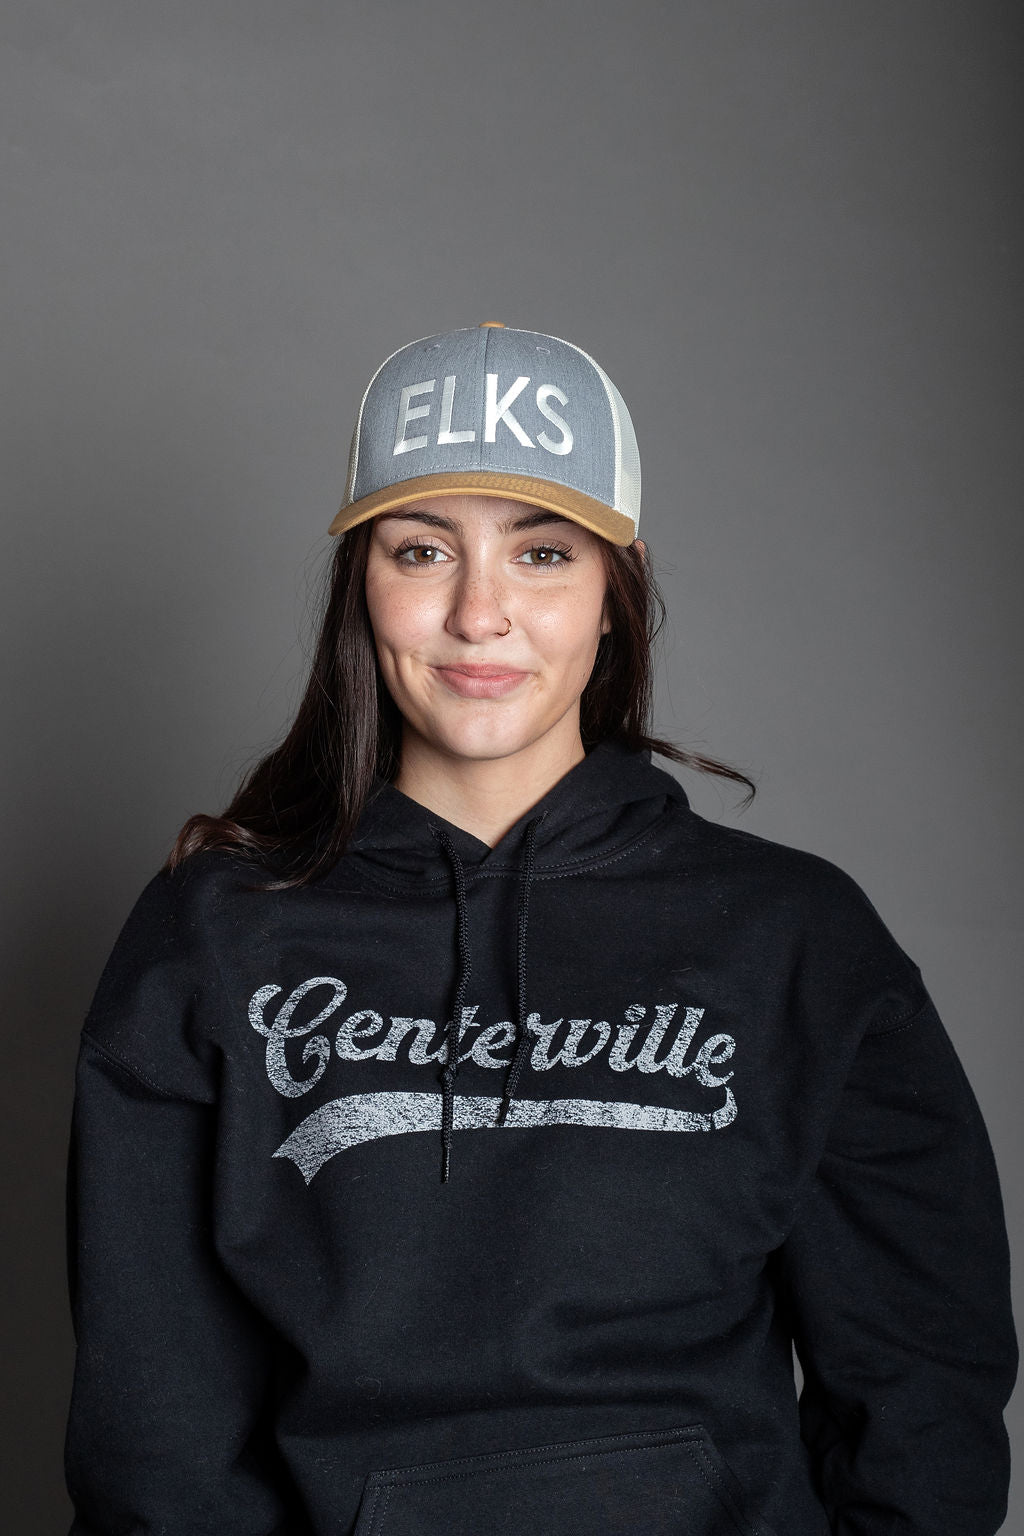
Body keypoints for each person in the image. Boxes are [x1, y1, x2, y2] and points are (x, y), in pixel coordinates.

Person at [64, 322, 1016, 1536]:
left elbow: (921, 1380)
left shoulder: (793, 934)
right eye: (423, 550)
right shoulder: (216, 936)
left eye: (542, 553)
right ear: (362, 586)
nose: (480, 614)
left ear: (615, 594)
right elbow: (154, 1425)